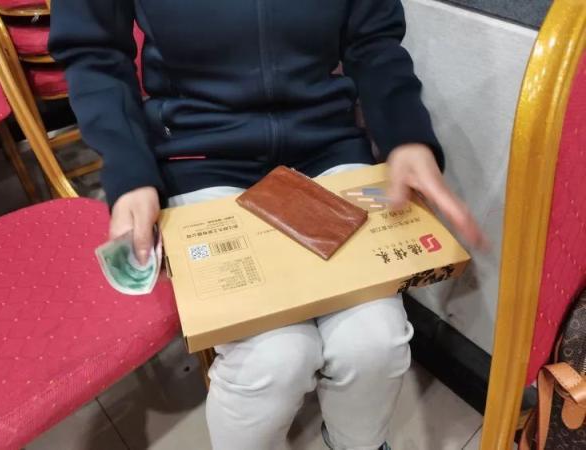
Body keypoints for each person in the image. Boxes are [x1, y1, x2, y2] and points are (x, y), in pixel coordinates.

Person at [50, 1, 485, 449]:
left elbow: (373, 38)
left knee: (376, 341)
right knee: (273, 360)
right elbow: (94, 50)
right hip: (199, 152)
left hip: (325, 145)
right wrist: (129, 168)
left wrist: (405, 133)